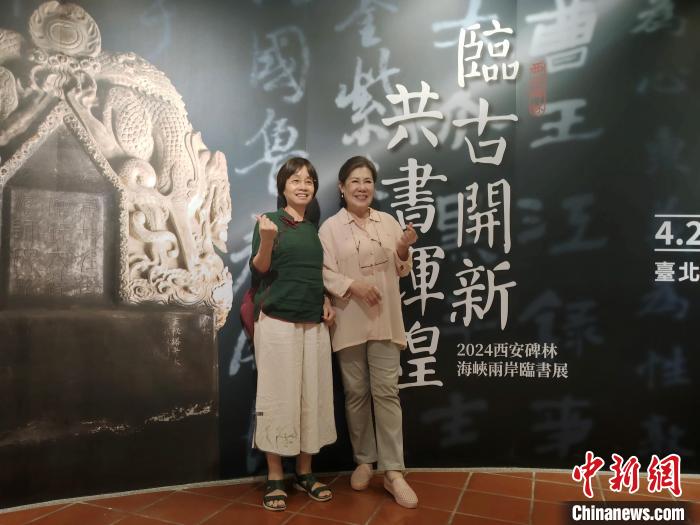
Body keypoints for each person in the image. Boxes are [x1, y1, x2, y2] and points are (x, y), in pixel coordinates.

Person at [318, 156, 419, 508]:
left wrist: (403, 247)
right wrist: (353, 286)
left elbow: (402, 269)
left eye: (368, 181)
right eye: (355, 181)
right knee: (356, 394)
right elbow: (324, 272)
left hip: (384, 319)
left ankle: (393, 471)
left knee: (387, 393)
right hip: (348, 321)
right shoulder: (330, 228)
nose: (362, 188)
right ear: (342, 187)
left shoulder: (388, 222)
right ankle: (364, 460)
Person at [249, 157, 337, 511]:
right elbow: (260, 268)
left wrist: (326, 299)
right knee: (276, 397)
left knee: (310, 397)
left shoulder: (313, 229)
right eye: (296, 179)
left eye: (309, 180)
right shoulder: (269, 222)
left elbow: (315, 274)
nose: (303, 185)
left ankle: (305, 472)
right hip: (277, 323)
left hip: (313, 324)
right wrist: (266, 240)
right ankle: (275, 475)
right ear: (282, 186)